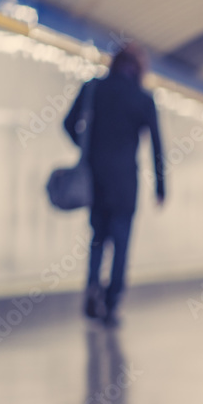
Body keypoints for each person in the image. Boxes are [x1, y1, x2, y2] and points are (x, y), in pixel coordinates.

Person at [64, 42, 165, 327]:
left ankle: (92, 287)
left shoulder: (94, 88)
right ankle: (111, 303)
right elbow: (157, 146)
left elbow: (68, 123)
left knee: (97, 238)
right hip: (125, 183)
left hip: (95, 178)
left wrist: (87, 150)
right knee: (121, 244)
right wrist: (160, 188)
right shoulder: (143, 98)